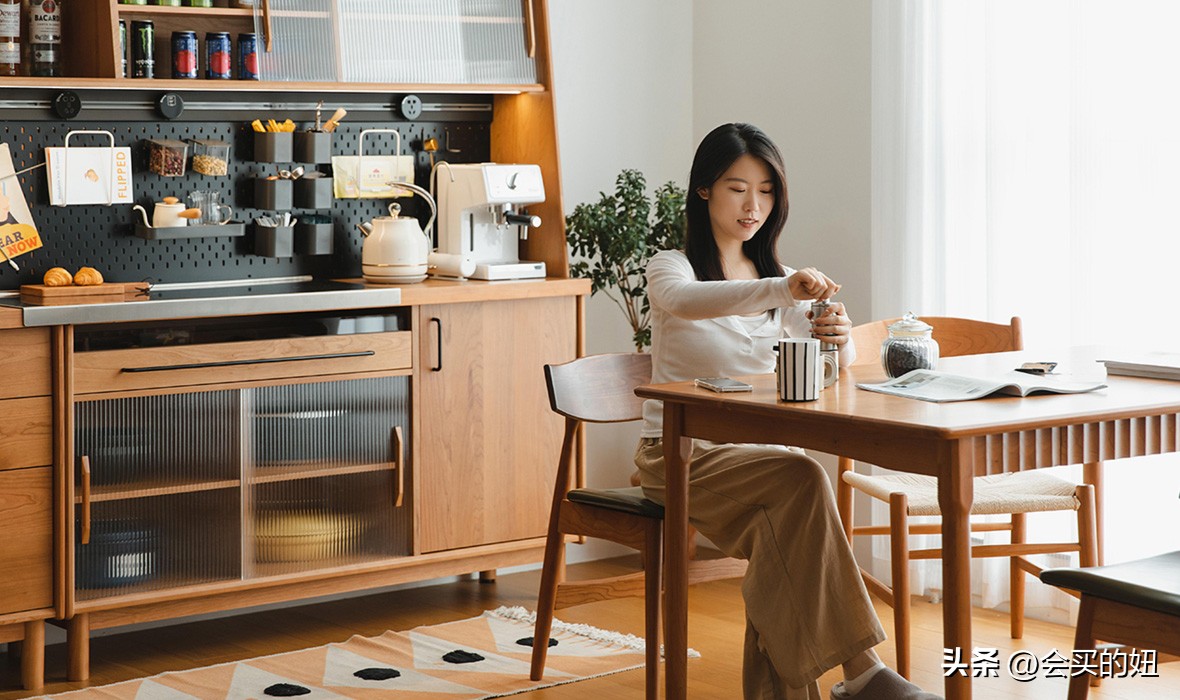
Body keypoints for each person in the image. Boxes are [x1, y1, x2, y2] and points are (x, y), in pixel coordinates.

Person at [634, 123, 941, 700]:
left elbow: (832, 369)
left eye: (767, 190)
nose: (754, 205)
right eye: (737, 188)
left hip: (761, 461)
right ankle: (865, 674)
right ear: (704, 190)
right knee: (800, 477)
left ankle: (843, 683)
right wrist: (783, 290)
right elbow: (685, 303)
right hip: (678, 459)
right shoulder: (672, 267)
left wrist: (838, 335)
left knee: (783, 539)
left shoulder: (779, 281)